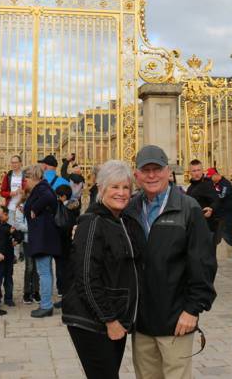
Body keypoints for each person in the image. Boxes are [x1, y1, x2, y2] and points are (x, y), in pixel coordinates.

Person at [131, 145, 217, 379]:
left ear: (168, 171)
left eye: (156, 169)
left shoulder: (188, 208)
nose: (151, 175)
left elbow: (203, 263)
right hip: (141, 321)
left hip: (175, 319)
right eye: (145, 170)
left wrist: (193, 309)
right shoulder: (130, 209)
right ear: (136, 174)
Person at [63, 160, 146, 379]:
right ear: (101, 189)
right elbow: (86, 278)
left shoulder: (122, 220)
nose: (121, 193)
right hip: (92, 320)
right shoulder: (92, 222)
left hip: (113, 315)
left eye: (126, 187)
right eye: (114, 187)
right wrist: (110, 319)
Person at [23, 163, 62, 318]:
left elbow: (49, 198)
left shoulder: (42, 188)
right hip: (45, 236)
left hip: (43, 237)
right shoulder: (41, 188)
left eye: (27, 178)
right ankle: (46, 304)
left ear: (34, 177)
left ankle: (46, 305)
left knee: (44, 272)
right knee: (46, 271)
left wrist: (34, 208)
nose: (26, 181)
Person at [54, 184, 80, 301]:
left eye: (59, 196)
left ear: (63, 196)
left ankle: (63, 291)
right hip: (71, 242)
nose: (57, 198)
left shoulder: (61, 207)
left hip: (61, 242)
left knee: (61, 268)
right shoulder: (75, 206)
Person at [185, 160, 222, 243]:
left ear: (202, 170)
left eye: (198, 170)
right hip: (195, 227)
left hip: (207, 227)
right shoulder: (190, 187)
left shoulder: (207, 184)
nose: (197, 173)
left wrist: (211, 209)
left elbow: (216, 201)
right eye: (194, 171)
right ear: (190, 172)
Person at [12, 197, 39, 304]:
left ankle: (36, 291)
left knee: (37, 268)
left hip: (38, 240)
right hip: (28, 240)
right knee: (29, 267)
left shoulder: (39, 207)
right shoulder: (21, 208)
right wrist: (33, 228)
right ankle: (27, 292)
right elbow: (19, 225)